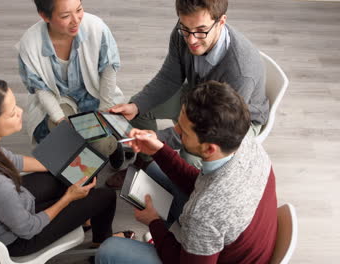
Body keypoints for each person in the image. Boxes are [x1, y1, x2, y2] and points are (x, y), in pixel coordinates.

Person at [0, 77, 133, 257]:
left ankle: (82, 216)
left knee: (68, 176)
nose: (20, 111)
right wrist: (68, 199)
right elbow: (29, 229)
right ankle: (103, 244)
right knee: (106, 196)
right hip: (20, 238)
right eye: (12, 113)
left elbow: (12, 160)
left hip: (0, 210)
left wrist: (58, 164)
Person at [96, 81, 277, 264]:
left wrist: (154, 223)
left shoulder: (204, 214)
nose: (174, 131)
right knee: (154, 167)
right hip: (241, 241)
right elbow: (203, 184)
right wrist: (157, 150)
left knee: (109, 250)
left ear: (209, 149)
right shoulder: (245, 139)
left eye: (183, 132)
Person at [107, 0, 268, 183]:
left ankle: (182, 191)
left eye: (201, 30)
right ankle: (147, 164)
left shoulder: (240, 72)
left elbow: (211, 127)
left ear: (221, 22)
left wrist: (157, 139)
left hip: (232, 120)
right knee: (140, 108)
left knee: (191, 153)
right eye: (185, 29)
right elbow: (169, 77)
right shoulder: (185, 29)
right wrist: (136, 106)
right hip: (198, 94)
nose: (191, 40)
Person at [18, 0, 126, 168]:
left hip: (95, 95)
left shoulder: (97, 28)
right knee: (67, 141)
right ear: (44, 16)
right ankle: (85, 177)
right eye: (65, 16)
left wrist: (104, 109)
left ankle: (112, 147)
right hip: (59, 100)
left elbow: (109, 70)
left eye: (79, 9)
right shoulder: (29, 44)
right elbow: (42, 89)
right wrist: (60, 119)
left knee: (102, 144)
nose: (76, 20)